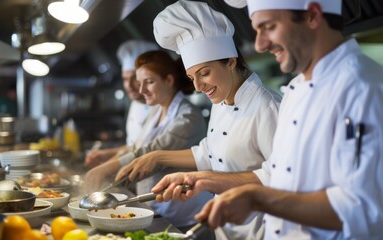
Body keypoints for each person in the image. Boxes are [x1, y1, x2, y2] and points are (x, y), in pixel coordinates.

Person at [151, 0, 383, 239]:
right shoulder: (296, 89)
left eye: (269, 26)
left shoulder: (363, 88)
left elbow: (363, 209)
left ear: (313, 15)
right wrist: (205, 179)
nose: (260, 45)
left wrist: (258, 199)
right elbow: (273, 174)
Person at [115, 1, 281, 239]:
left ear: (231, 61)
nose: (198, 86)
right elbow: (208, 152)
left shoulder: (267, 107)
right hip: (225, 229)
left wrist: (206, 180)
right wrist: (157, 157)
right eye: (192, 77)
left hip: (260, 231)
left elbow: (279, 177)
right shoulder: (222, 99)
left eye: (205, 73)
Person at [85, 50, 213, 235]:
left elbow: (150, 152)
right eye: (139, 83)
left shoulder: (188, 118)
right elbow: (136, 147)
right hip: (155, 210)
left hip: (182, 219)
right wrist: (107, 161)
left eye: (149, 82)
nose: (141, 90)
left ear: (169, 80)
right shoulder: (156, 111)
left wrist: (105, 170)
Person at [84, 40, 158, 168]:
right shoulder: (135, 104)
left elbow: (148, 150)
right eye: (124, 79)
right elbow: (134, 146)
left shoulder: (162, 106)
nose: (128, 86)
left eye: (134, 78)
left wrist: (108, 166)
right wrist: (105, 155)